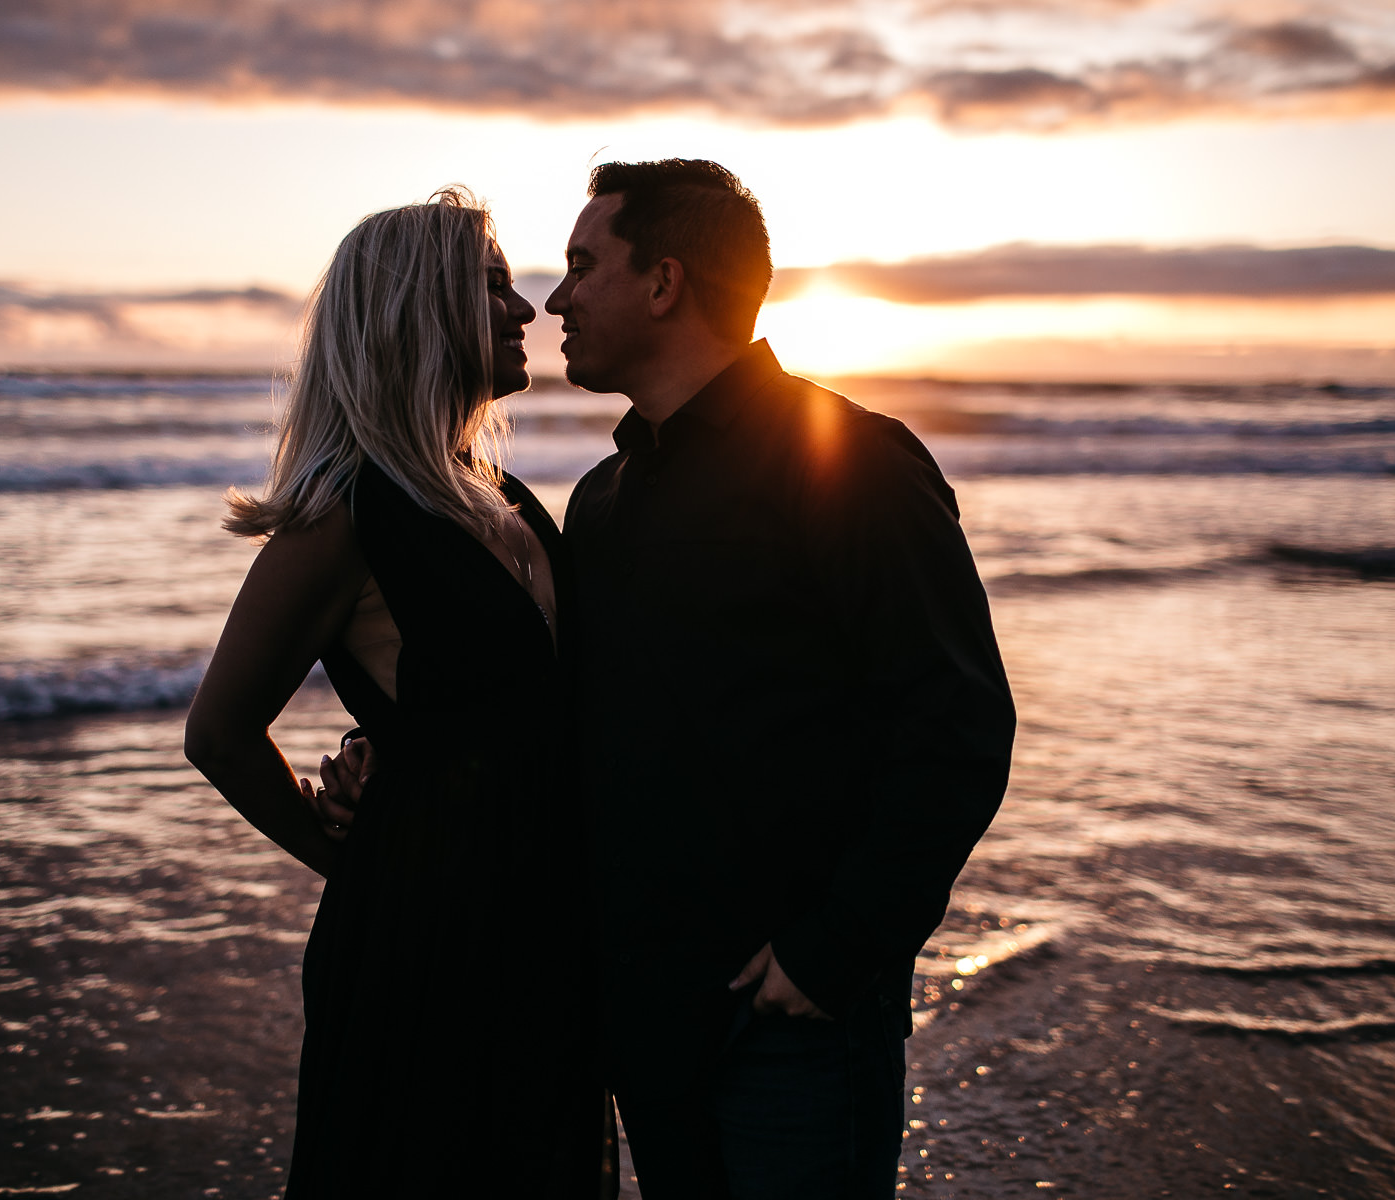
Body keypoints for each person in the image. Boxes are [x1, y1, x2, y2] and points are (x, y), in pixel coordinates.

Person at [318, 160, 1015, 1198]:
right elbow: (558, 704)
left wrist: (835, 950)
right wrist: (395, 746)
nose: (556, 300)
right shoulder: (603, 501)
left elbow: (957, 724)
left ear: (664, 283)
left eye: (582, 265)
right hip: (642, 1016)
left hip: (789, 1018)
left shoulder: (850, 461)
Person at [183, 187, 606, 1199]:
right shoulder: (344, 514)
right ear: (420, 310)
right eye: (493, 286)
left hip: (549, 930)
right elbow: (221, 732)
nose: (525, 309)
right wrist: (352, 857)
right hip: (425, 948)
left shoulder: (508, 500)